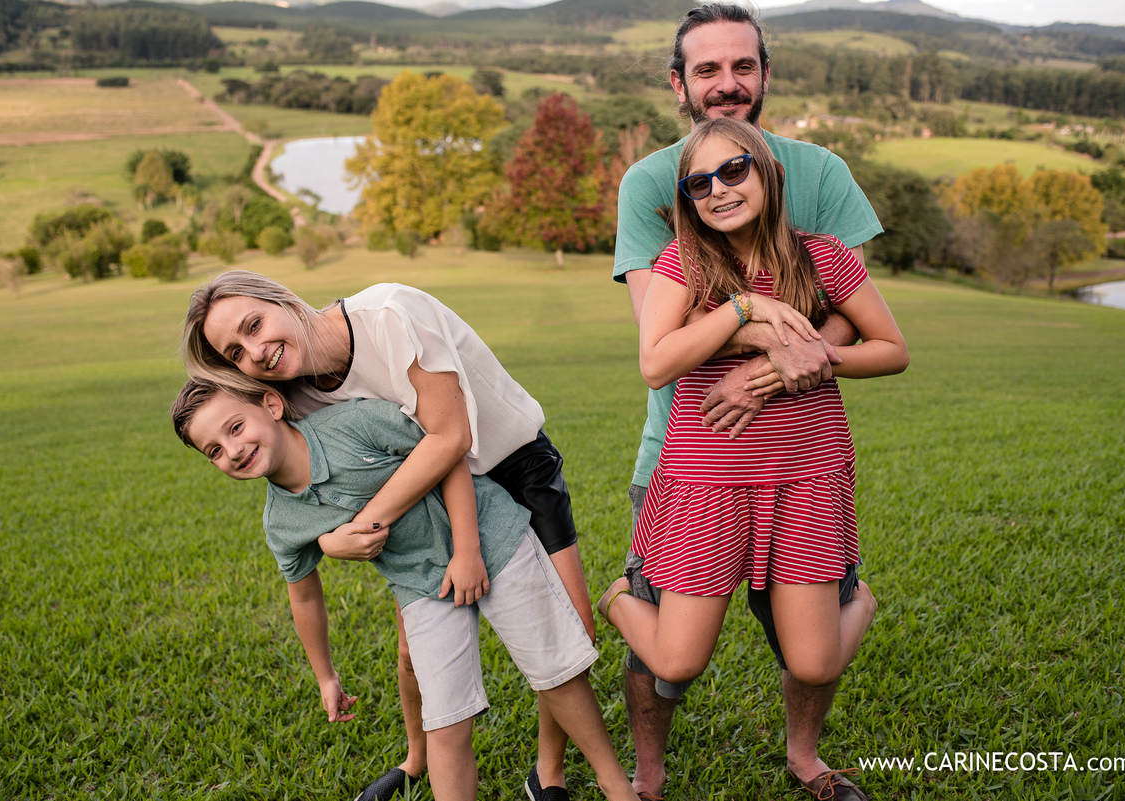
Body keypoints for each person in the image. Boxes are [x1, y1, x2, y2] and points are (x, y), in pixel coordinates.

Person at [612, 5, 886, 800]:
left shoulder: (822, 173)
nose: (727, 83)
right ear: (679, 83)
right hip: (687, 454)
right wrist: (752, 318)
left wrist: (772, 368)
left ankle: (806, 758)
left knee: (811, 640)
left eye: (743, 66)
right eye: (707, 69)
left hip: (799, 448)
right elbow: (657, 334)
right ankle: (649, 772)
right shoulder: (650, 183)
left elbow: (847, 309)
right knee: (663, 653)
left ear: (766, 74)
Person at [182, 274, 591, 801]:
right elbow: (330, 481)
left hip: (506, 463)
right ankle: (415, 760)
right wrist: (328, 541)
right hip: (426, 501)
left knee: (573, 628)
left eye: (254, 325)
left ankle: (548, 773)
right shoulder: (290, 394)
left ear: (281, 298)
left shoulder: (389, 314)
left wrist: (359, 529)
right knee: (411, 654)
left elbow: (450, 439)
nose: (256, 351)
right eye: (235, 351)